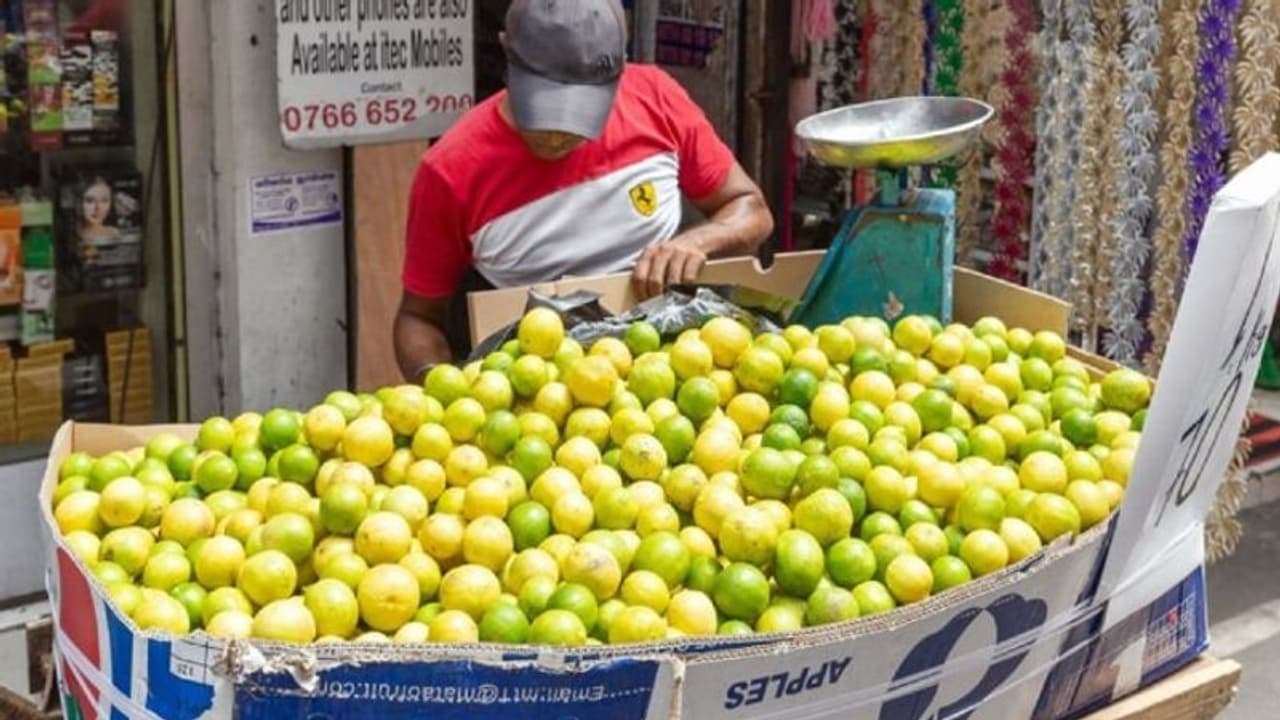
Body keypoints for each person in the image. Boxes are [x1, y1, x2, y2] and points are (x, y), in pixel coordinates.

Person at [394, 0, 774, 382]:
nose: (558, 136)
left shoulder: (657, 99)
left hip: (666, 374)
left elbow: (750, 208)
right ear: (506, 55)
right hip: (533, 390)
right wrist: (438, 385)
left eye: (578, 114)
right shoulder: (450, 169)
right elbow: (418, 319)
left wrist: (697, 243)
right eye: (543, 111)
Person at [77, 176, 121, 243]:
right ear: (78, 203)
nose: (98, 208)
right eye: (90, 200)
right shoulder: (71, 234)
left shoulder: (114, 233)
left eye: (104, 201)